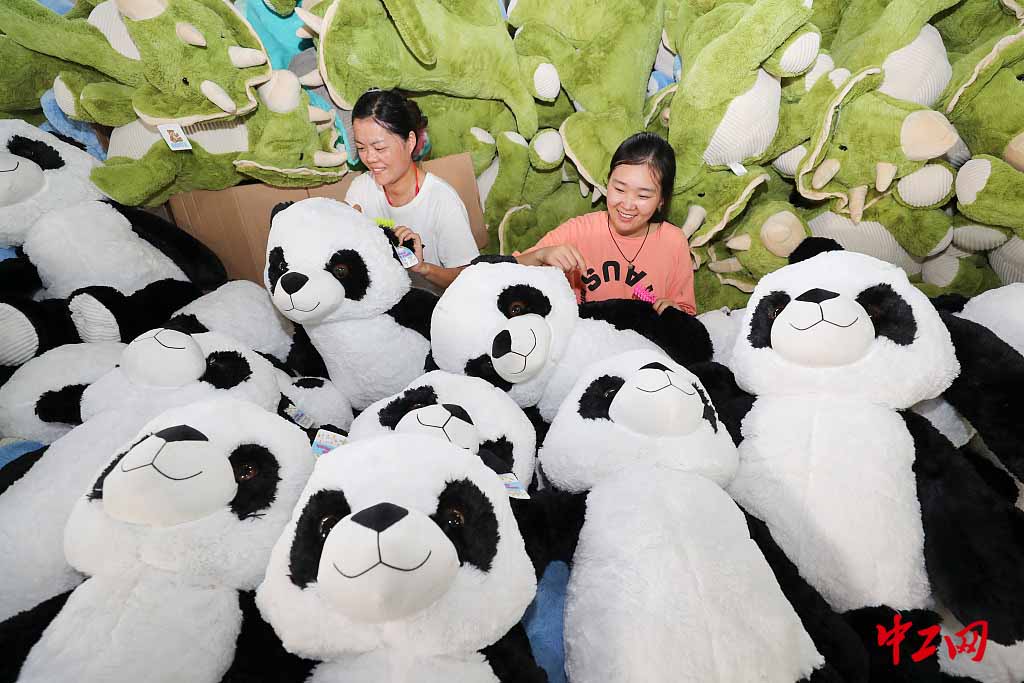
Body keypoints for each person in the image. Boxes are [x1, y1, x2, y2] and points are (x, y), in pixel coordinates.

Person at [515, 132, 696, 315]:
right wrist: (541, 255)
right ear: (607, 183)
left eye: (643, 196)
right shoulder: (580, 231)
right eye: (619, 189)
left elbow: (687, 314)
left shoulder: (673, 241)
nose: (627, 205)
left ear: (662, 200)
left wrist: (675, 313)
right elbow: (508, 269)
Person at [344, 89, 479, 293]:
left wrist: (422, 268)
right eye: (361, 148)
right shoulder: (361, 189)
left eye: (379, 148)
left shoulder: (441, 199)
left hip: (431, 306)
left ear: (410, 142)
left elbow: (468, 278)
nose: (369, 158)